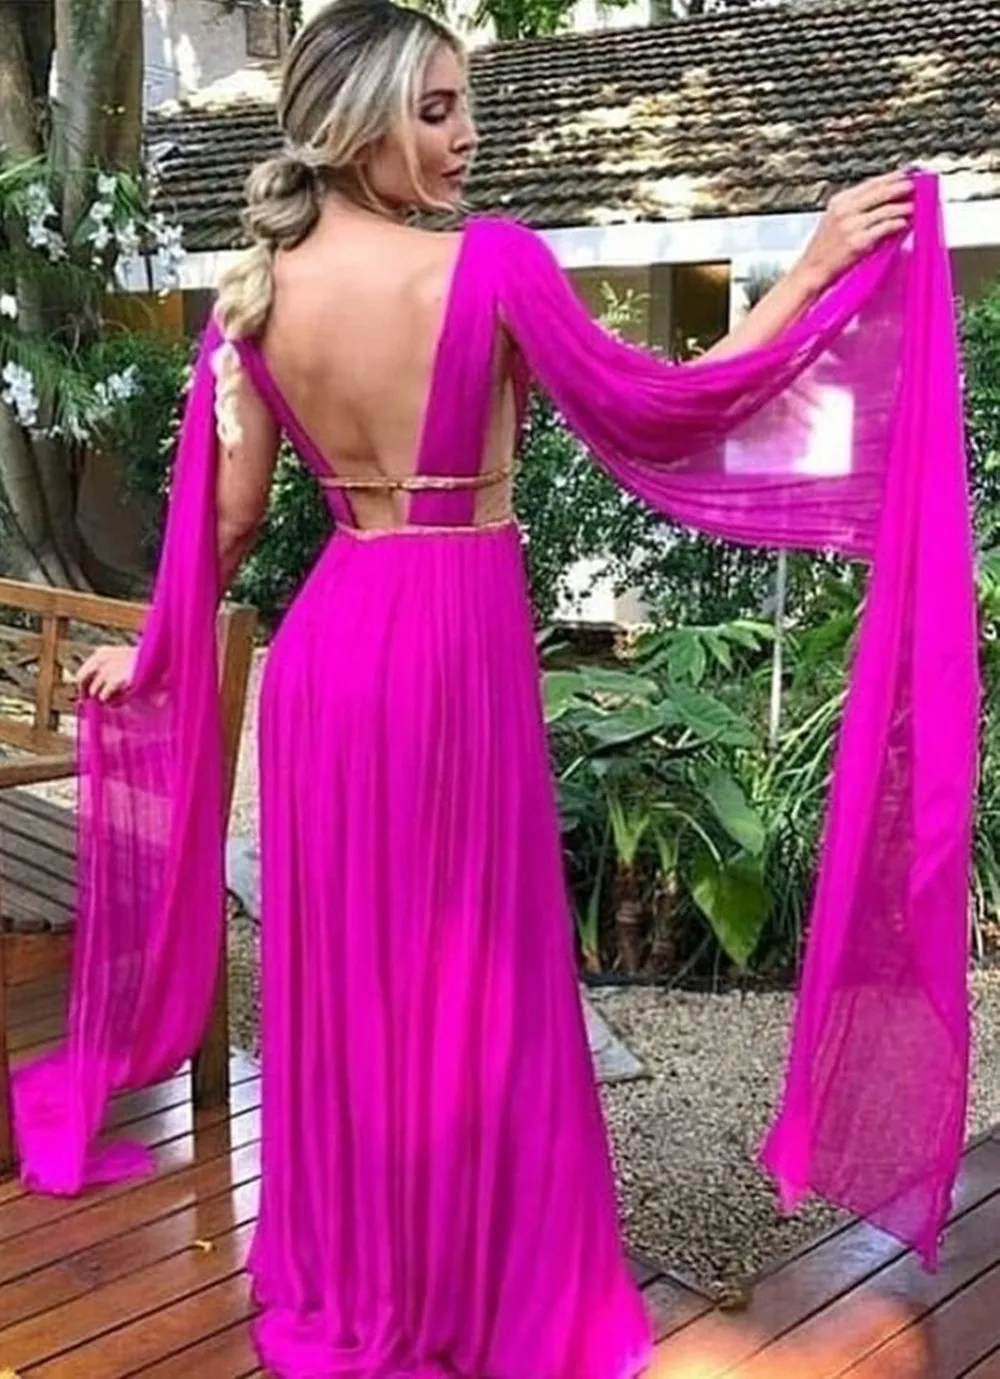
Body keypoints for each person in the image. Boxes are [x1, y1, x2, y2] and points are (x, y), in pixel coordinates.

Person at [59, 2, 973, 1376]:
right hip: (448, 656)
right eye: (435, 109)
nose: (466, 135)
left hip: (333, 661)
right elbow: (672, 402)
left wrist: (152, 652)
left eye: (464, 104)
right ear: (357, 119)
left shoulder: (254, 300)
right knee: (480, 980)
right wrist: (811, 269)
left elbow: (226, 525)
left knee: (361, 997)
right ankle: (486, 1290)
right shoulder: (489, 266)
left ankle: (364, 1279)